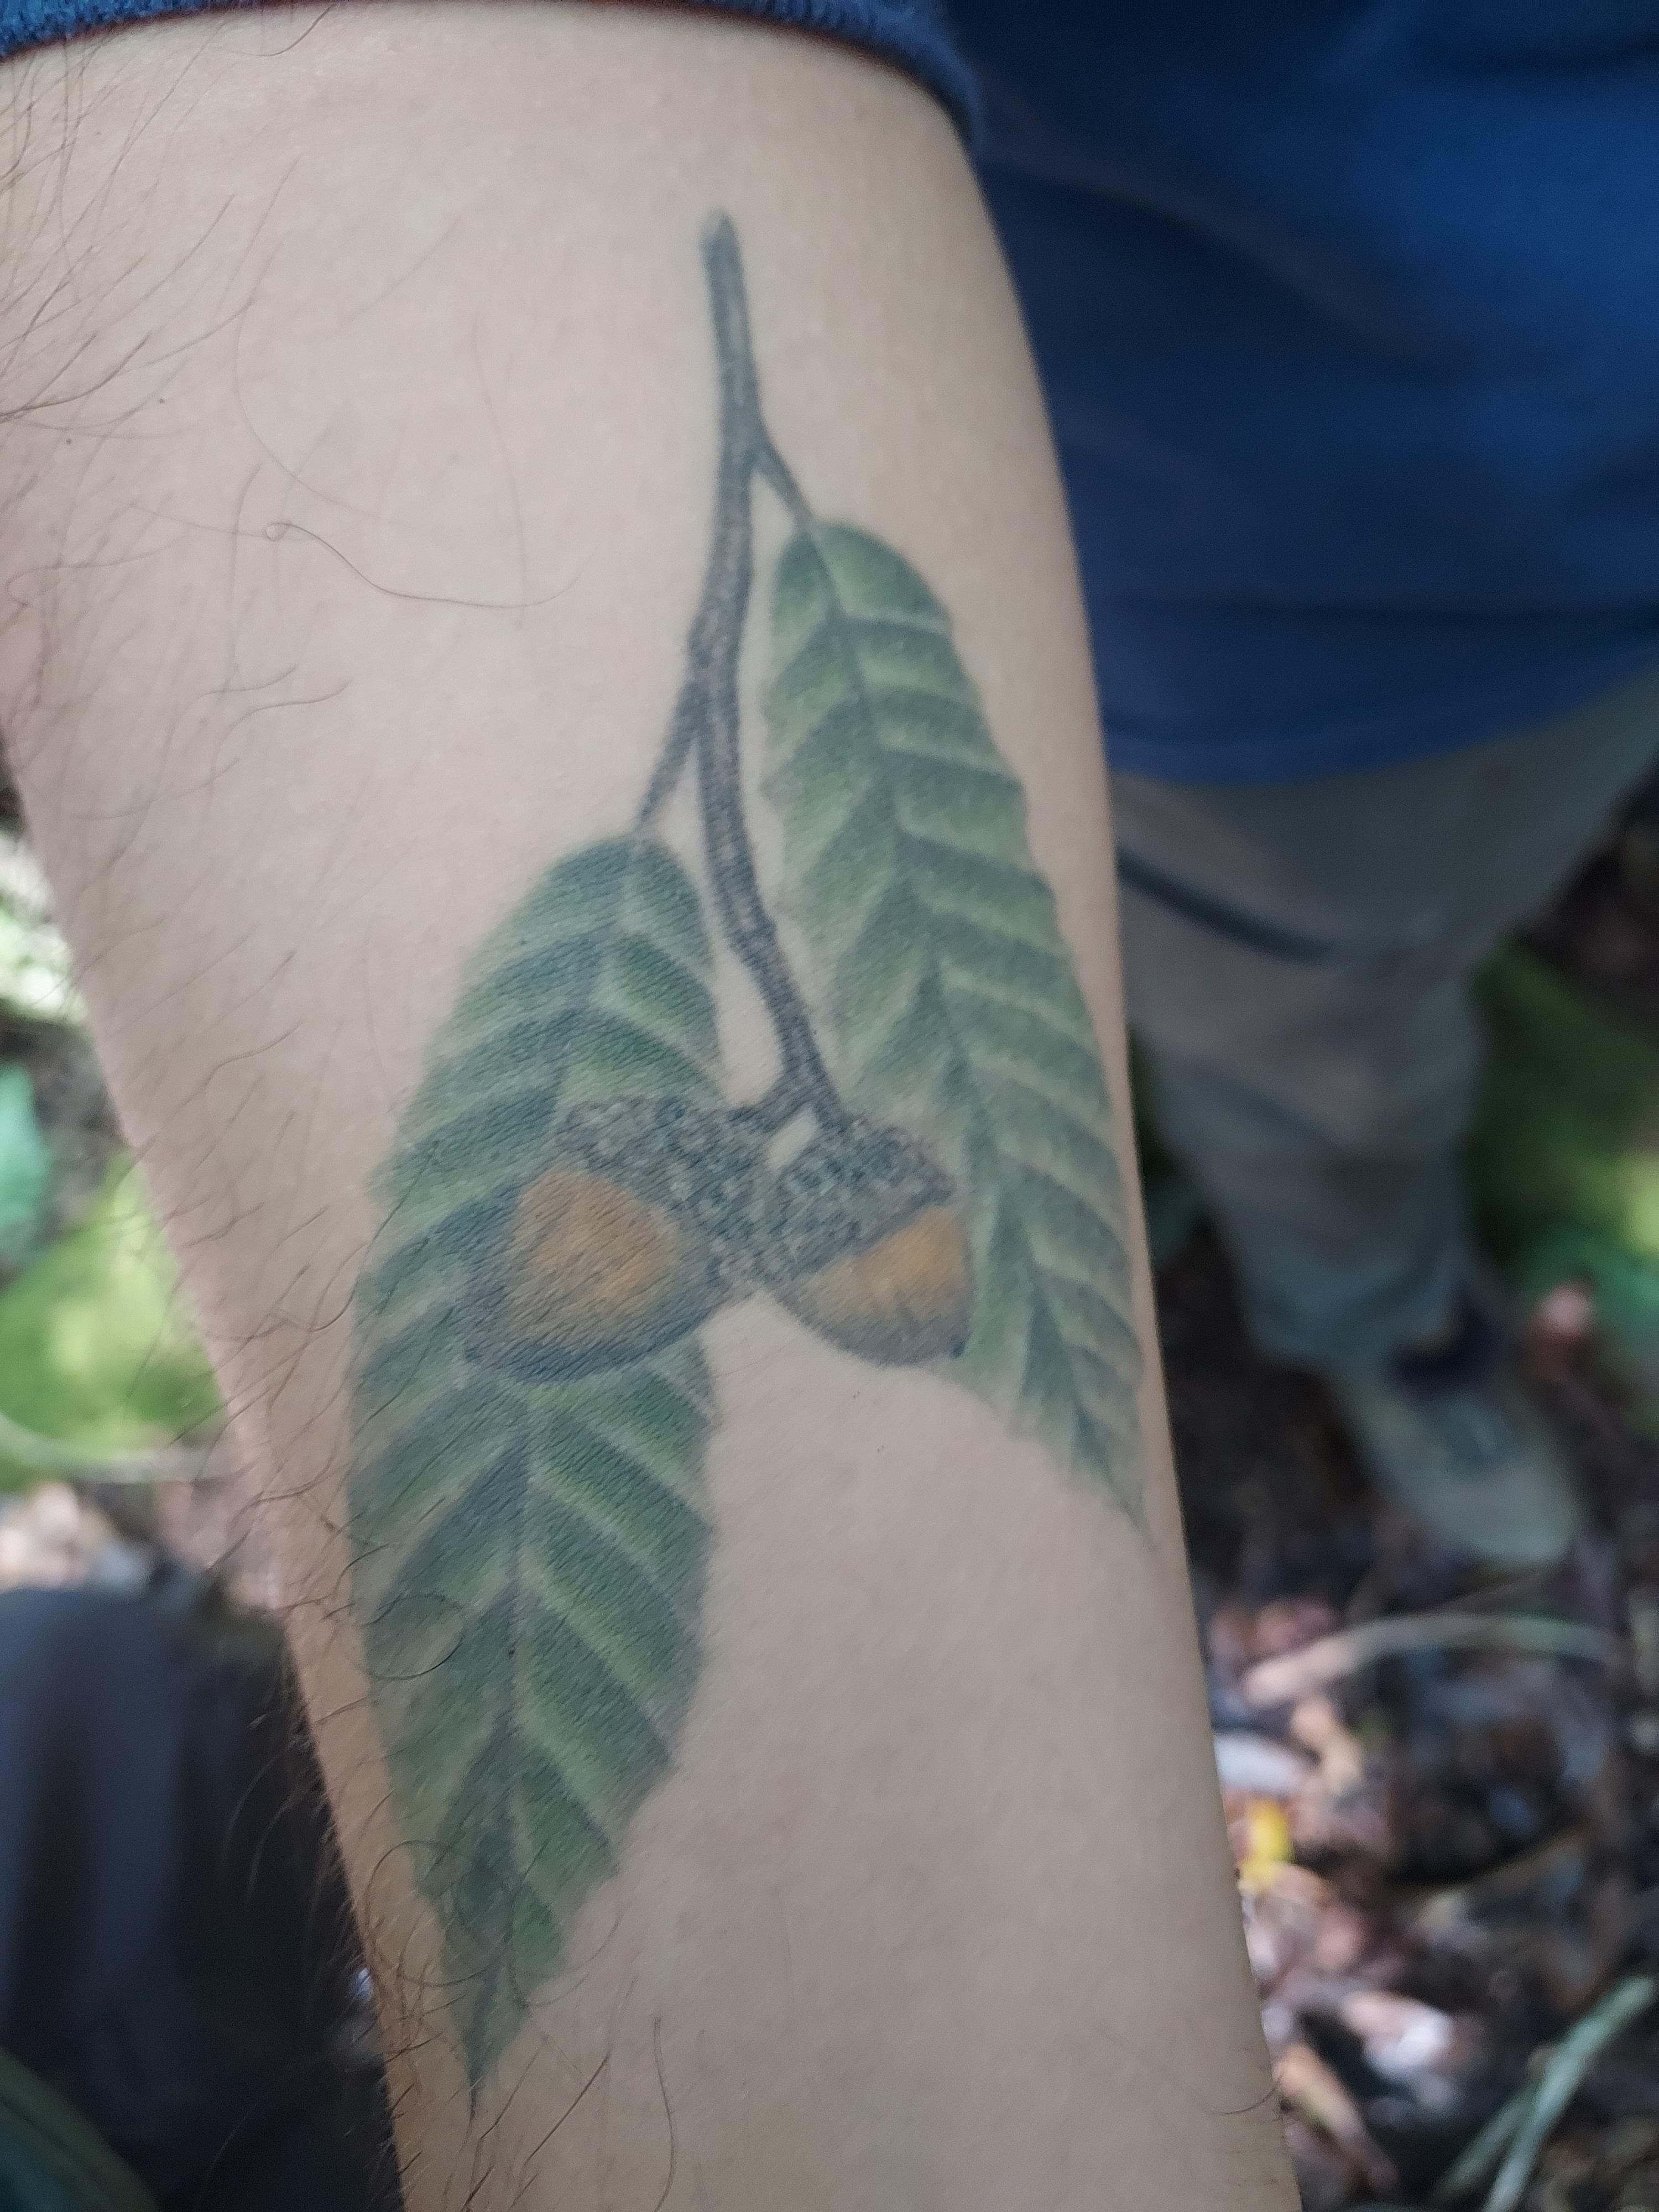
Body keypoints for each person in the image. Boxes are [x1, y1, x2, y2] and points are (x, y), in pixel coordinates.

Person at [0, 1, 1645, 2206]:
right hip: (1248, 628)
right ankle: (1375, 1291)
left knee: (1380, 985)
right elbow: (395, 109)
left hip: (1569, 604)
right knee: (1320, 1015)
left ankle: (1364, 1270)